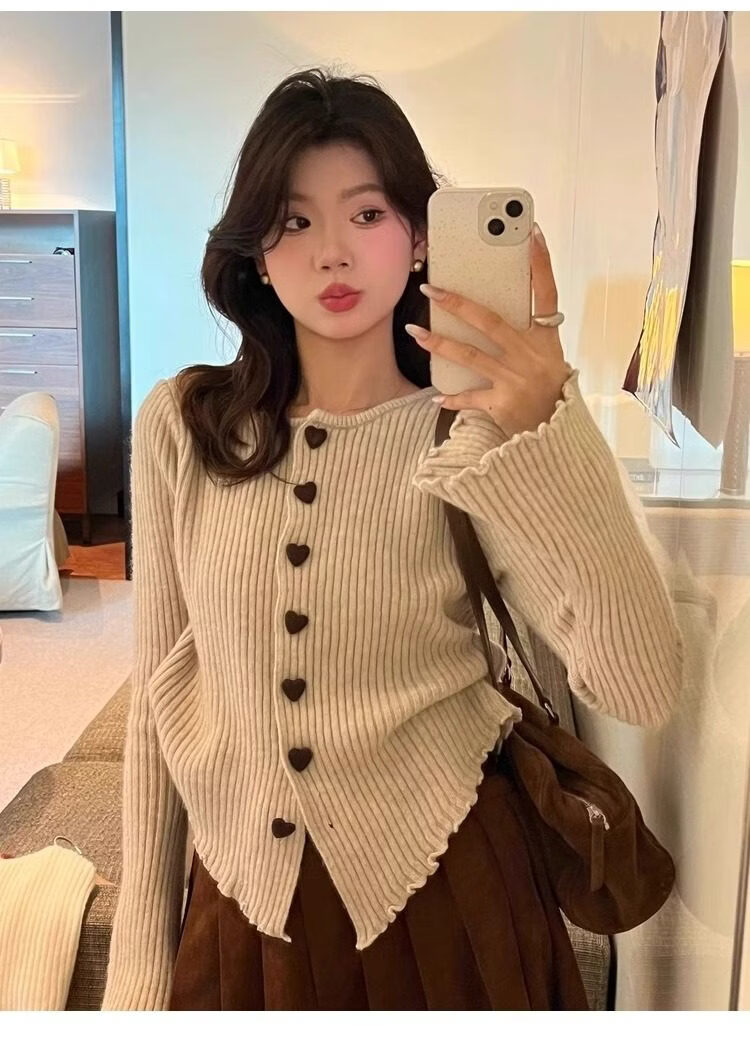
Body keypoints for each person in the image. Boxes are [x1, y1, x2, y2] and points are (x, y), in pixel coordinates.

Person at [101, 67, 683, 1011]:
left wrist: (552, 423)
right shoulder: (185, 426)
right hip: (245, 916)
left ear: (418, 238)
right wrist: (134, 975)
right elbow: (155, 709)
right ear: (257, 253)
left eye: (366, 214)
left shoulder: (474, 434)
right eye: (294, 221)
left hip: (454, 906)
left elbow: (640, 683)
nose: (332, 252)